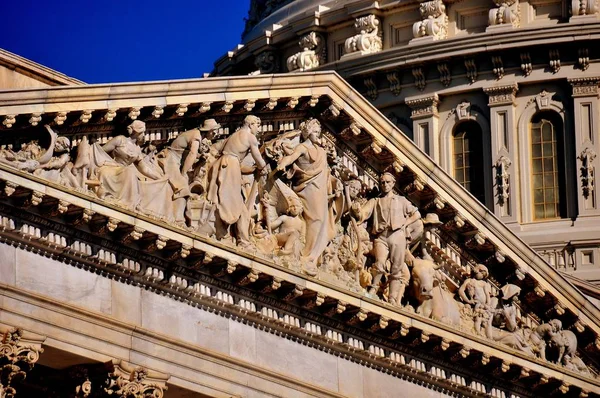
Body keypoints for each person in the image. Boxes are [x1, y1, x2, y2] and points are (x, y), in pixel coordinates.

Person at [276, 118, 337, 274]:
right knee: (315, 219)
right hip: (308, 189)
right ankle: (306, 256)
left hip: (321, 190)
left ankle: (311, 257)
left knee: (320, 220)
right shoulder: (303, 147)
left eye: (319, 132)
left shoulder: (322, 151)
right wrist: (283, 163)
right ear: (308, 132)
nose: (318, 134)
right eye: (315, 131)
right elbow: (292, 157)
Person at [353, 172, 421, 305]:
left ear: (393, 184)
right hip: (381, 236)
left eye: (388, 182)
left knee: (396, 268)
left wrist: (405, 225)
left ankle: (392, 298)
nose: (385, 185)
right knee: (379, 263)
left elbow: (416, 214)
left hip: (397, 235)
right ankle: (372, 290)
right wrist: (357, 211)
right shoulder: (375, 201)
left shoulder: (401, 200)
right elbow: (364, 214)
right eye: (382, 182)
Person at [207, 115, 267, 247]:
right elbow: (257, 156)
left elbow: (237, 165)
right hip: (230, 168)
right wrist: (263, 167)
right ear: (251, 124)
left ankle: (230, 235)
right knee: (234, 202)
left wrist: (252, 170)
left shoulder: (233, 136)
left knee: (226, 200)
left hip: (224, 165)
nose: (258, 129)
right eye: (257, 125)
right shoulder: (250, 136)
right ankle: (242, 240)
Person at [158, 119, 221, 224]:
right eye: (213, 131)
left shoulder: (197, 135)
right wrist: (183, 173)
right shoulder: (196, 137)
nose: (215, 134)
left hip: (177, 161)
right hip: (170, 159)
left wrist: (201, 158)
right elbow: (192, 154)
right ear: (208, 130)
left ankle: (183, 218)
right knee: (182, 185)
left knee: (184, 183)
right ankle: (178, 220)